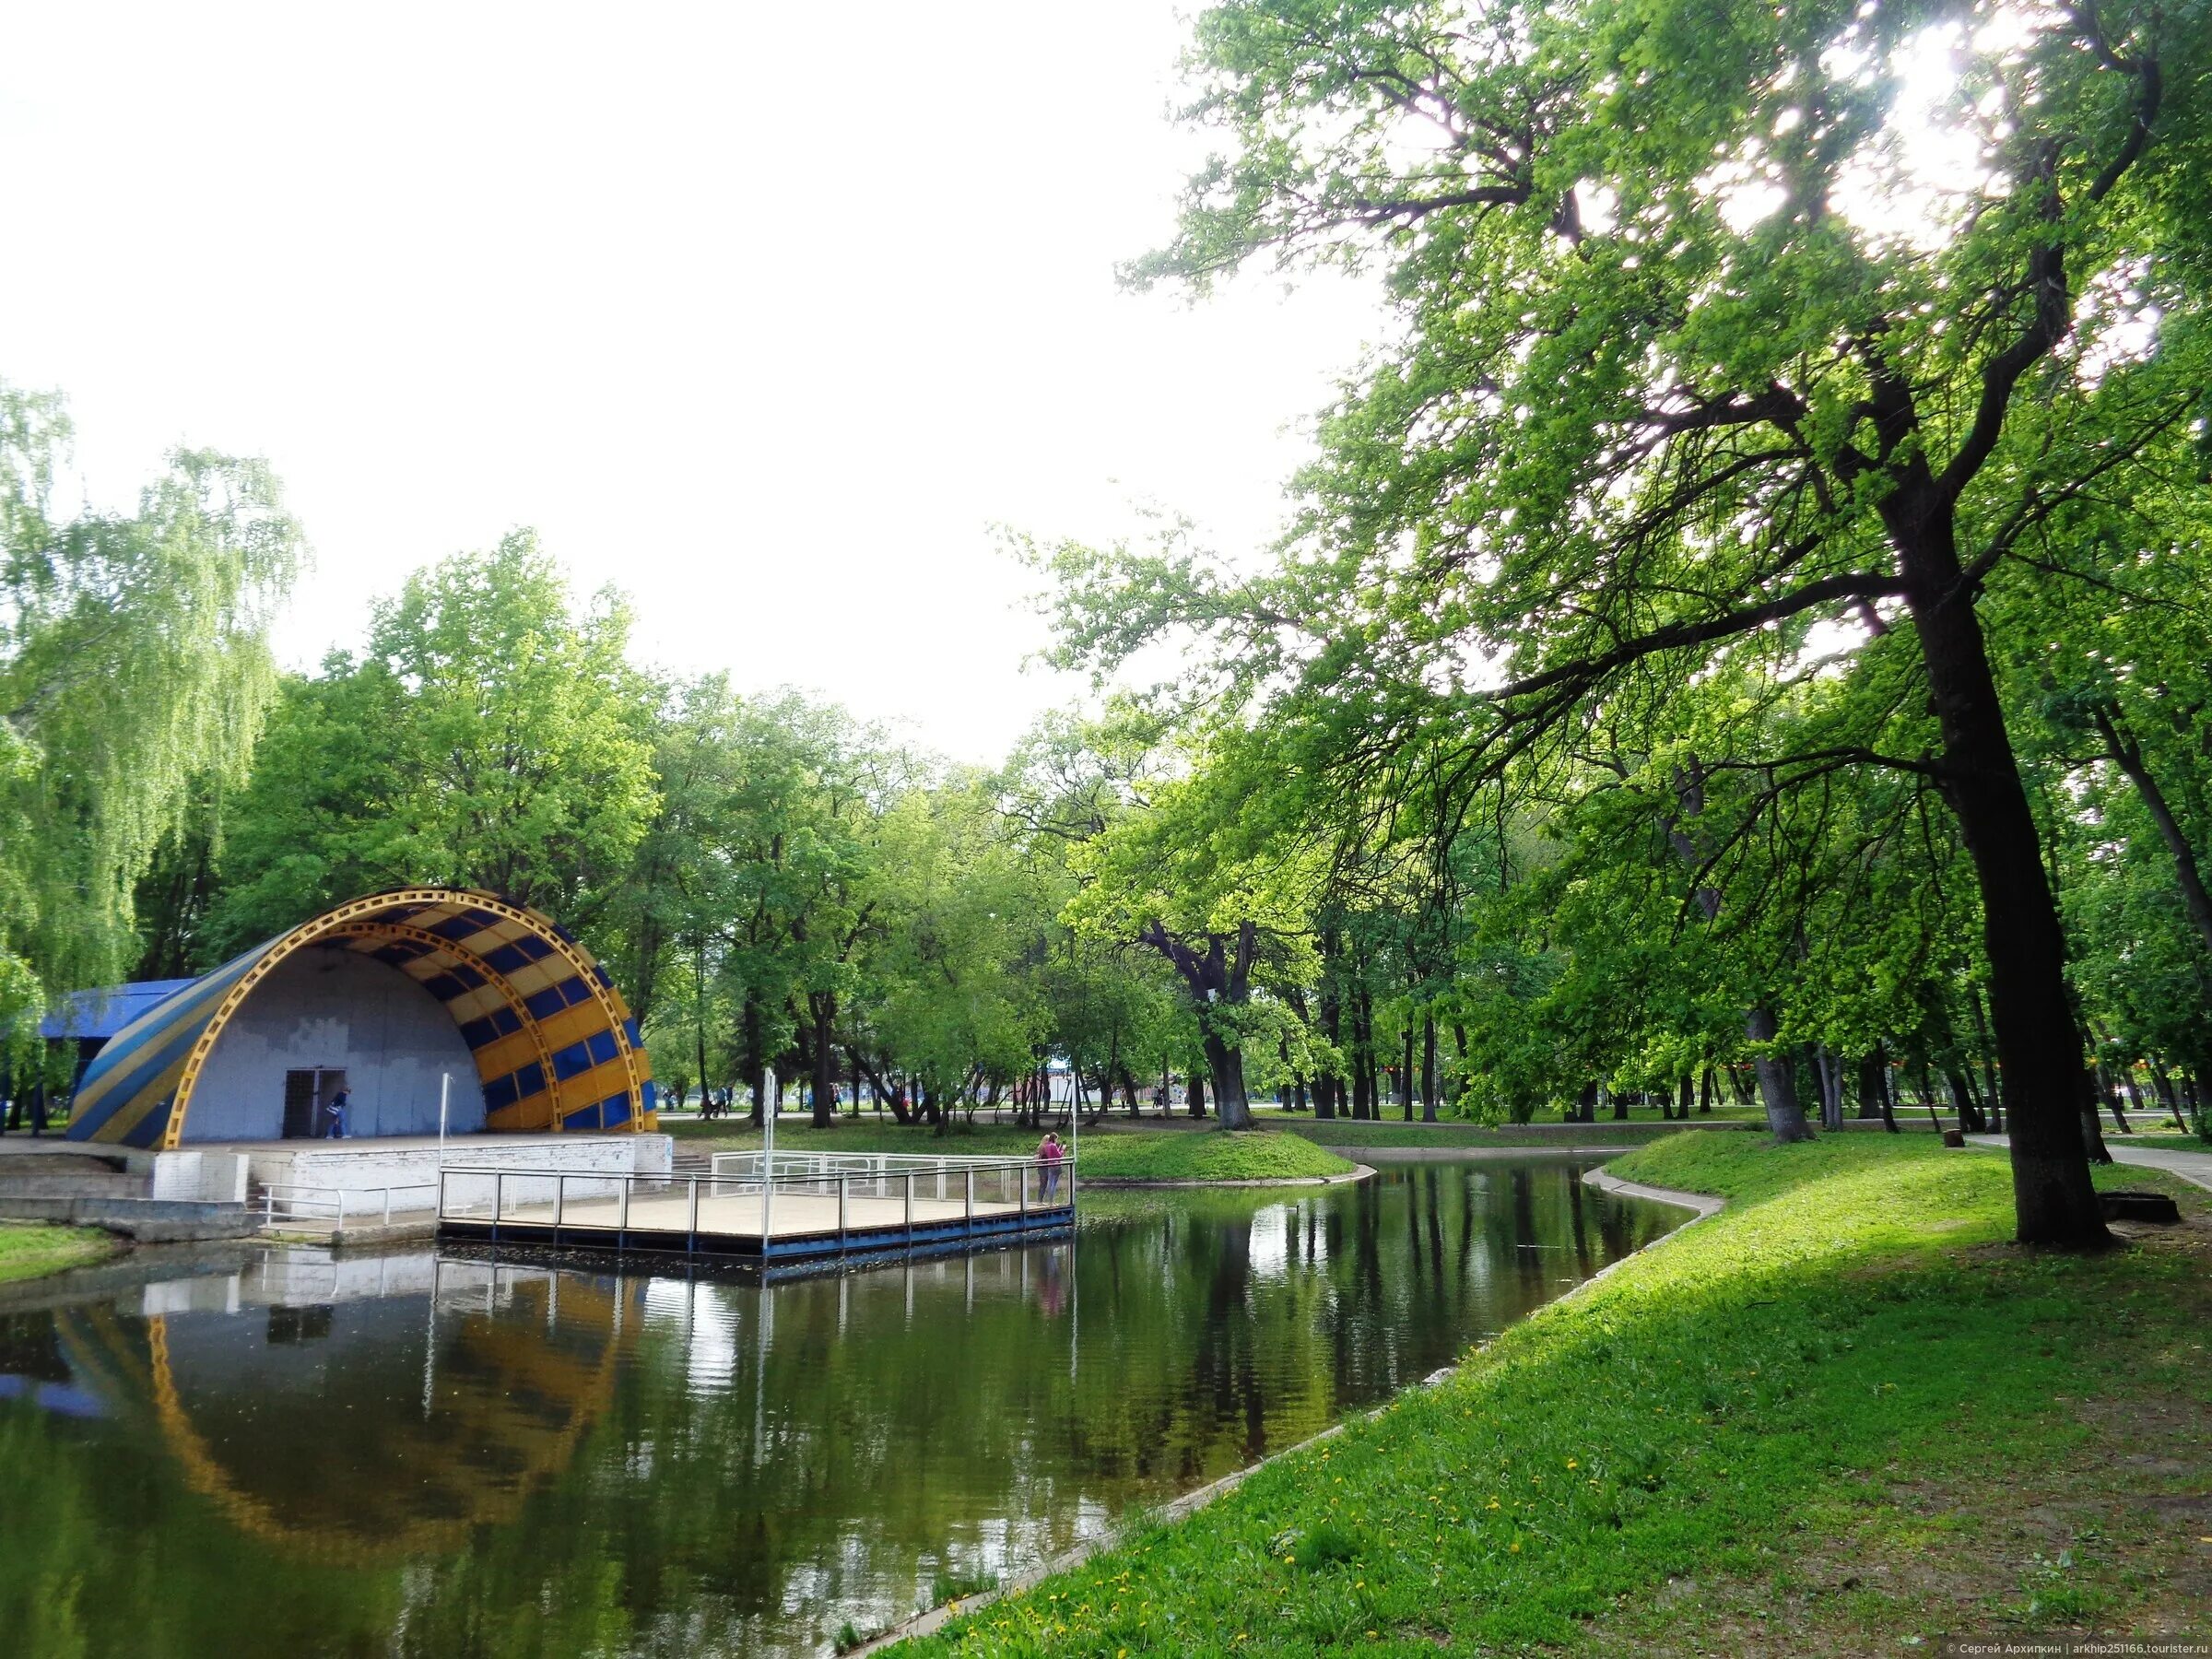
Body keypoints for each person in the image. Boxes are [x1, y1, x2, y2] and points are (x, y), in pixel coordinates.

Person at [1036, 1130, 1065, 1205]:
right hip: (1052, 1166)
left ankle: (1047, 1201)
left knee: (1048, 1184)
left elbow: (1051, 1155)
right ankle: (1050, 1201)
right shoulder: (1052, 1146)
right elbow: (1058, 1155)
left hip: (1048, 1166)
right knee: (1051, 1184)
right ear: (1054, 1138)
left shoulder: (1046, 1146)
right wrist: (1062, 1150)